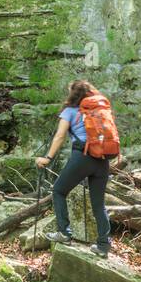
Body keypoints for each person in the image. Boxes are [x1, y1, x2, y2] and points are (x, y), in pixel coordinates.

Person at [36, 78, 113, 256]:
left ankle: (64, 232)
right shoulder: (100, 112)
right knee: (99, 205)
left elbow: (60, 136)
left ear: (73, 94)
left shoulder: (69, 111)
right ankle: (103, 245)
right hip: (102, 159)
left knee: (59, 190)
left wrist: (48, 157)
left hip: (83, 157)